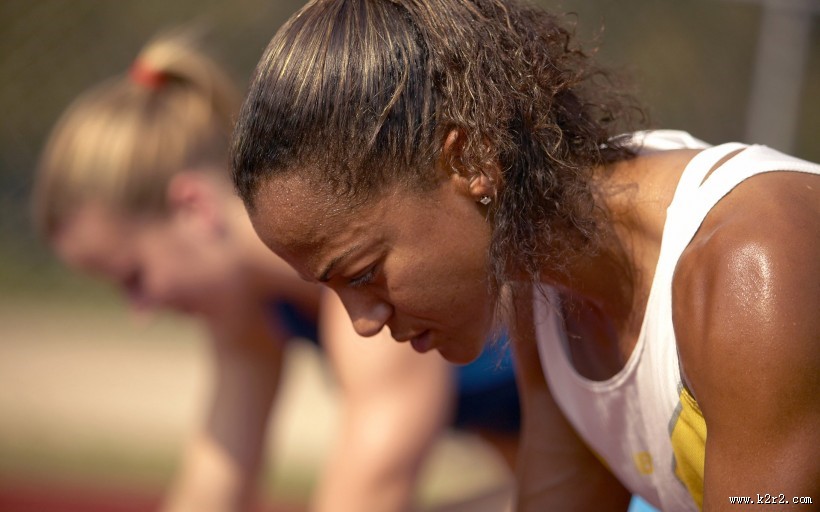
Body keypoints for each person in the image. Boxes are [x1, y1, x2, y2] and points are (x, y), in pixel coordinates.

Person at [230, 1, 820, 511]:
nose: (363, 322)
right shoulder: (549, 300)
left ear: (471, 160)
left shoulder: (751, 269)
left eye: (362, 272)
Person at [33, 30, 520, 512]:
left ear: (195, 208)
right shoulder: (253, 308)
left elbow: (371, 498)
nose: (138, 310)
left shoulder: (367, 291)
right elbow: (215, 486)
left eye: (133, 277)